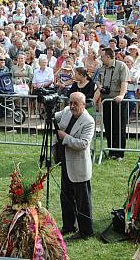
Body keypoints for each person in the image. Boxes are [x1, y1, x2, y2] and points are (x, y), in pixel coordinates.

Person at [54, 91, 95, 241]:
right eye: (70, 102)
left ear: (83, 105)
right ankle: (68, 226)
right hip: (65, 162)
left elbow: (83, 144)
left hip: (79, 167)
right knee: (65, 197)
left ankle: (86, 231)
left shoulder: (88, 121)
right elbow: (55, 117)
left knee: (82, 200)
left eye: (75, 104)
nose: (72, 106)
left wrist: (65, 137)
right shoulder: (66, 111)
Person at [93, 48, 129, 159]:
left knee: (119, 127)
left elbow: (124, 82)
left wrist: (121, 95)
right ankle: (111, 151)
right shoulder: (101, 68)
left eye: (102, 56)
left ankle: (119, 153)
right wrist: (99, 86)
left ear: (108, 57)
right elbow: (97, 80)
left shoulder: (121, 66)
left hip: (118, 101)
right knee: (108, 127)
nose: (101, 58)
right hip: (106, 101)